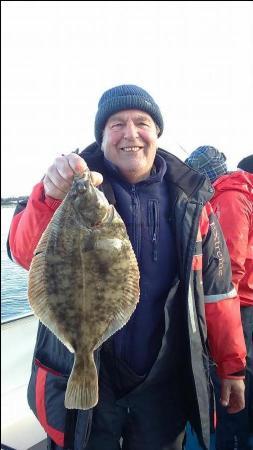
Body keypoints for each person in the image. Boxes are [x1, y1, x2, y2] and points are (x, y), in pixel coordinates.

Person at [7, 86, 247, 450]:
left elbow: (218, 291)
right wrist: (50, 195)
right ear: (101, 137)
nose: (130, 133)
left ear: (157, 133)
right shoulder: (65, 192)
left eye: (142, 122)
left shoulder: (194, 201)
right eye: (116, 124)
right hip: (88, 384)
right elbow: (22, 251)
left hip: (163, 384)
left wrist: (231, 366)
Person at [185, 146, 253, 450]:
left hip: (240, 308)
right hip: (243, 304)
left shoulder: (228, 197)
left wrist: (216, 313)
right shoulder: (237, 191)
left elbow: (227, 267)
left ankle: (231, 439)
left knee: (233, 381)